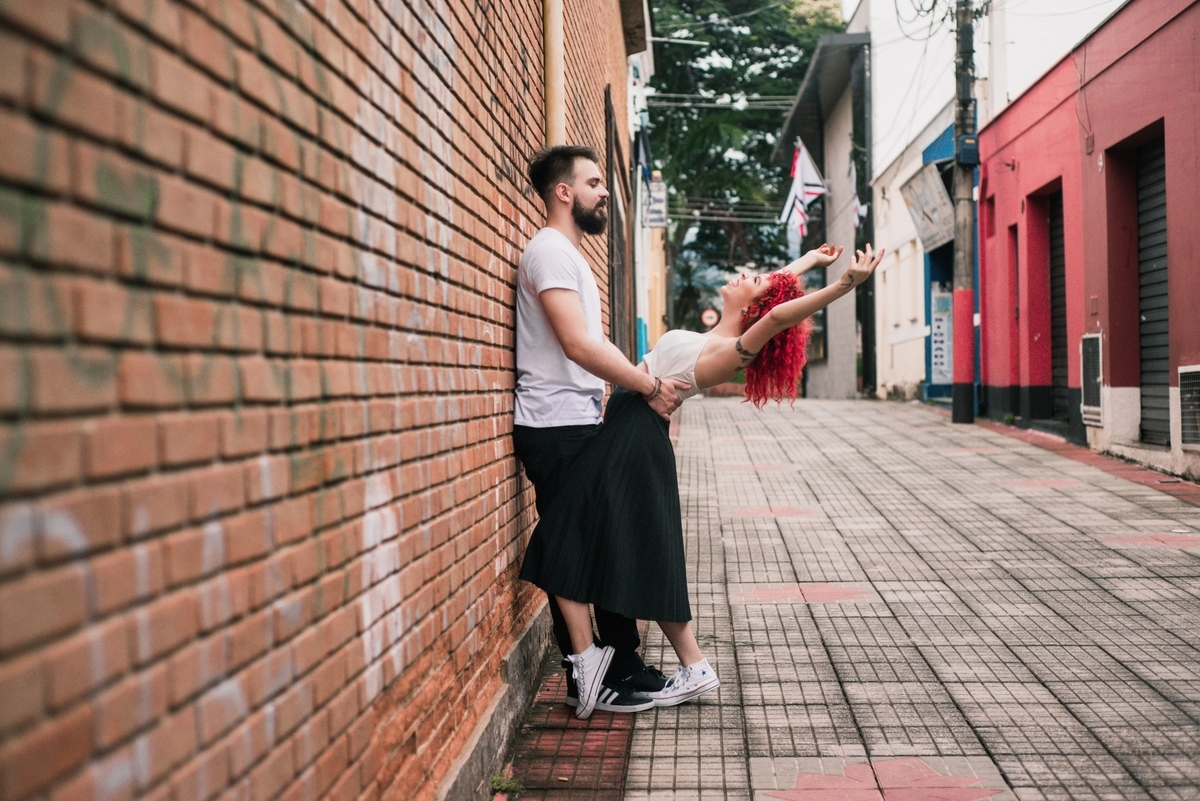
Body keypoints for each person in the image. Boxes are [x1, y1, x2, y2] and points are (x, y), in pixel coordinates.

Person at [520, 241, 885, 718]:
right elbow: (771, 295)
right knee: (575, 538)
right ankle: (603, 661)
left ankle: (591, 662)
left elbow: (777, 316)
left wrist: (842, 286)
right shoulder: (717, 331)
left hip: (632, 444)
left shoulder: (730, 352)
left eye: (751, 282)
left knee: (559, 535)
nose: (746, 276)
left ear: (754, 308)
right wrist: (811, 262)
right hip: (623, 434)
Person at [513, 145, 692, 716]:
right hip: (556, 425)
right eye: (594, 182)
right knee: (568, 545)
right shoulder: (549, 252)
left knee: (600, 539)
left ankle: (615, 666)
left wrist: (640, 378)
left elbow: (593, 344)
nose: (605, 190)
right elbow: (577, 344)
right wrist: (644, 386)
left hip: (577, 418)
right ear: (563, 193)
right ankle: (592, 667)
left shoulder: (568, 256)